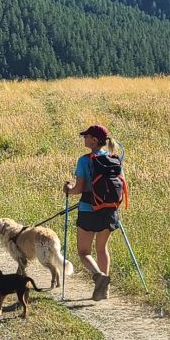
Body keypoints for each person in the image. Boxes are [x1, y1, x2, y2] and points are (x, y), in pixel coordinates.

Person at [64, 125, 120, 300]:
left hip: (88, 209)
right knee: (102, 249)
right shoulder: (114, 159)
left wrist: (67, 189)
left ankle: (98, 276)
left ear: (94, 140)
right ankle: (105, 291)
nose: (84, 139)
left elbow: (79, 189)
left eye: (86, 136)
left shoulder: (84, 160)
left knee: (83, 252)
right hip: (110, 210)